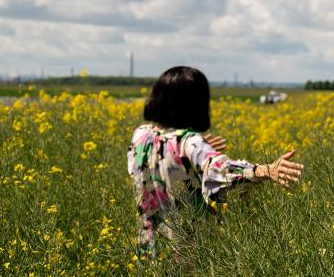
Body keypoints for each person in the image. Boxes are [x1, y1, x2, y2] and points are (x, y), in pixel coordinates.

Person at [127, 66, 303, 257]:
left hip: (149, 251)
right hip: (185, 256)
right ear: (195, 104)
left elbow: (162, 154)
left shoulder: (141, 135)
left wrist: (189, 151)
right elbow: (219, 168)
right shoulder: (189, 142)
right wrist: (262, 170)